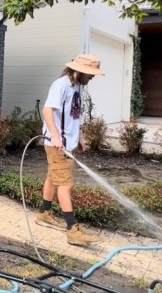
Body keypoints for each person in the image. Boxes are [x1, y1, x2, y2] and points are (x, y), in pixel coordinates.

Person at [36, 54, 104, 246]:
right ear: (79, 71)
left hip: (67, 144)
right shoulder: (61, 85)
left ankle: (43, 213)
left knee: (53, 177)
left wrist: (78, 138)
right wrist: (56, 136)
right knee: (65, 184)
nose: (92, 77)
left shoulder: (77, 87)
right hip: (58, 145)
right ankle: (72, 230)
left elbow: (73, 115)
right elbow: (47, 110)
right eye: (90, 74)